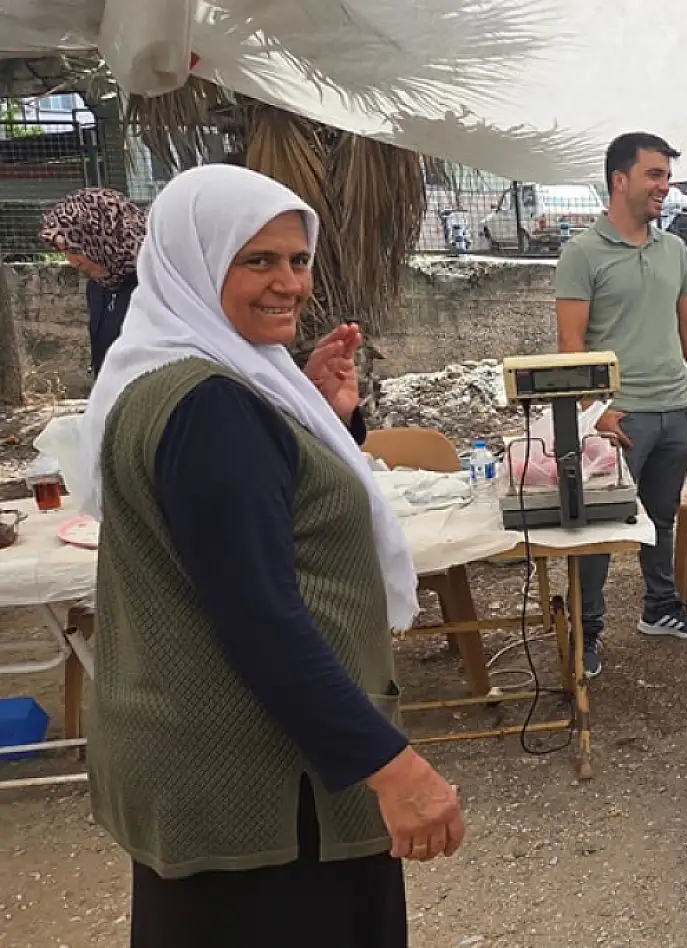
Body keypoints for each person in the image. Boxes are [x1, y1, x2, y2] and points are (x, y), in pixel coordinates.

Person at [80, 164, 464, 947]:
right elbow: (260, 618)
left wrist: (317, 418)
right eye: (257, 260)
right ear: (193, 261)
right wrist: (392, 767)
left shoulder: (174, 375)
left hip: (216, 769)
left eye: (297, 259)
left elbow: (258, 509)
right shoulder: (212, 407)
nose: (288, 282)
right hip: (265, 784)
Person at [554, 132, 687, 678]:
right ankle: (587, 633)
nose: (664, 187)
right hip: (619, 418)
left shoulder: (674, 250)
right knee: (602, 528)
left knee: (661, 519)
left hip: (674, 410)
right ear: (619, 180)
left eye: (667, 176)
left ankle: (660, 609)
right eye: (654, 175)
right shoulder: (582, 253)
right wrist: (594, 409)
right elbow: (570, 343)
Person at [39, 187, 148, 376]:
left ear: (105, 236)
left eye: (76, 250)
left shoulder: (152, 284)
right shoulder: (97, 287)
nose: (73, 262)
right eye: (64, 252)